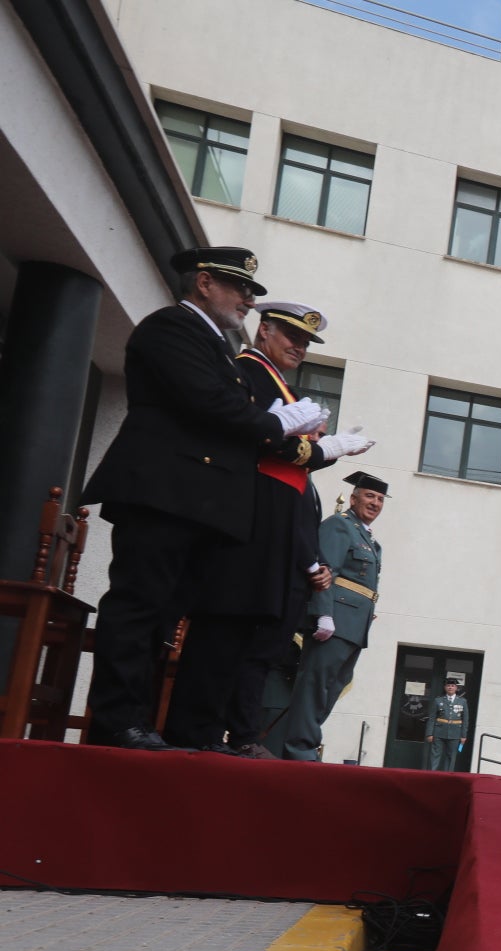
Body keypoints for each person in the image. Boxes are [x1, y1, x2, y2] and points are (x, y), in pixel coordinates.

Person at [80, 246, 331, 750]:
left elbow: (231, 410)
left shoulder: (215, 344)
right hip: (163, 492)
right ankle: (116, 720)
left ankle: (141, 720)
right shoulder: (171, 328)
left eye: (251, 292)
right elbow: (212, 405)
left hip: (198, 504)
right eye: (240, 289)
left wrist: (291, 435)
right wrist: (277, 423)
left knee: (163, 618)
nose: (247, 300)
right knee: (139, 607)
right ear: (204, 283)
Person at [168, 302, 372, 756]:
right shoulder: (250, 370)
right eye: (290, 337)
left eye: (305, 342)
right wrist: (325, 450)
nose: (298, 347)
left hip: (268, 527)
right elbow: (265, 441)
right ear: (264, 331)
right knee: (222, 630)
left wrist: (321, 450)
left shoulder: (272, 377)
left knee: (244, 636)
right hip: (249, 519)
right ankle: (194, 732)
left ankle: (214, 732)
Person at [270, 472, 386, 761]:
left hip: (355, 625)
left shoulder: (369, 538)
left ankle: (305, 743)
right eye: (370, 496)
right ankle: (300, 749)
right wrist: (323, 613)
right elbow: (326, 571)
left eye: (381, 499)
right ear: (354, 497)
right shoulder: (339, 526)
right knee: (315, 685)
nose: (375, 503)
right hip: (335, 620)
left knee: (331, 688)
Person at [425, 676, 469, 771]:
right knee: (435, 754)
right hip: (439, 732)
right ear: (445, 688)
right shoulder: (438, 700)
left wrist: (463, 735)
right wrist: (429, 733)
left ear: (456, 688)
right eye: (448, 685)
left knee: (451, 756)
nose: (450, 687)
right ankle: (432, 773)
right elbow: (432, 718)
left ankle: (448, 775)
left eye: (452, 685)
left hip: (455, 732)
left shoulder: (462, 701)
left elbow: (465, 719)